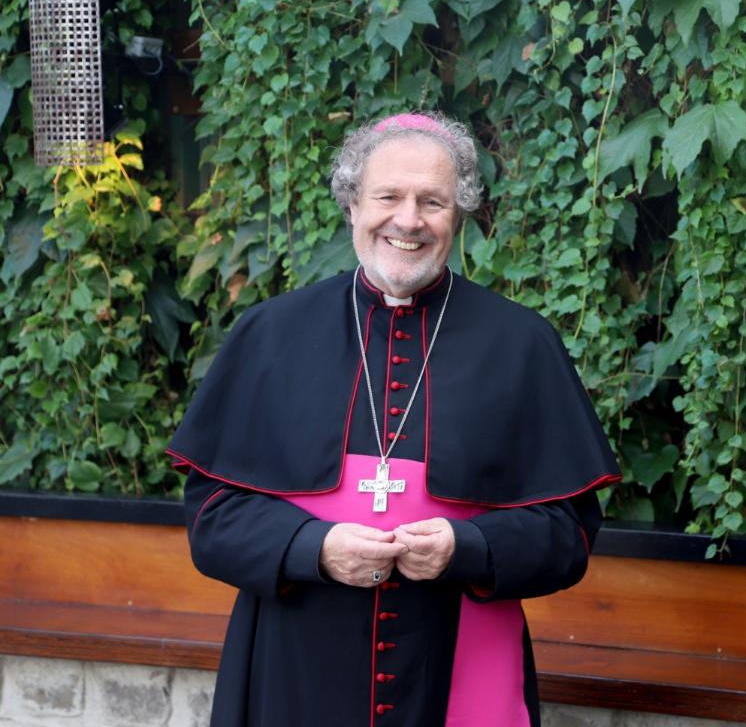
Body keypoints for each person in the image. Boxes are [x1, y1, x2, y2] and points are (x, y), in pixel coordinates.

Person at [168, 112, 620, 727]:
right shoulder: (271, 334)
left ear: (457, 216)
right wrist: (313, 548)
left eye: (431, 201)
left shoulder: (522, 344)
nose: (408, 220)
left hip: (458, 649)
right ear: (352, 204)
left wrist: (470, 546)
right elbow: (212, 518)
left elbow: (569, 536)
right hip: (295, 668)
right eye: (388, 196)